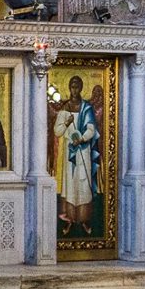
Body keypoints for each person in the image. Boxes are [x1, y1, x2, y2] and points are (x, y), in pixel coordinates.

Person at [57, 75, 99, 232]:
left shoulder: (86, 108)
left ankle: (84, 219)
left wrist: (81, 139)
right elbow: (58, 131)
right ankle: (69, 219)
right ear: (69, 88)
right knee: (70, 183)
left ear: (81, 88)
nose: (74, 90)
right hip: (69, 152)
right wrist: (66, 123)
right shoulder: (64, 108)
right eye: (72, 86)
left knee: (83, 182)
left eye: (77, 86)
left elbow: (91, 129)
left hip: (83, 150)